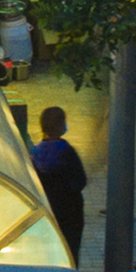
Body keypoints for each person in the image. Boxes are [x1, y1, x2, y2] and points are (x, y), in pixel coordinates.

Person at [29, 103, 88, 261]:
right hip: (70, 211)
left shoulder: (36, 153)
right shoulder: (66, 151)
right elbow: (80, 181)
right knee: (70, 252)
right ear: (61, 125)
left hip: (48, 210)